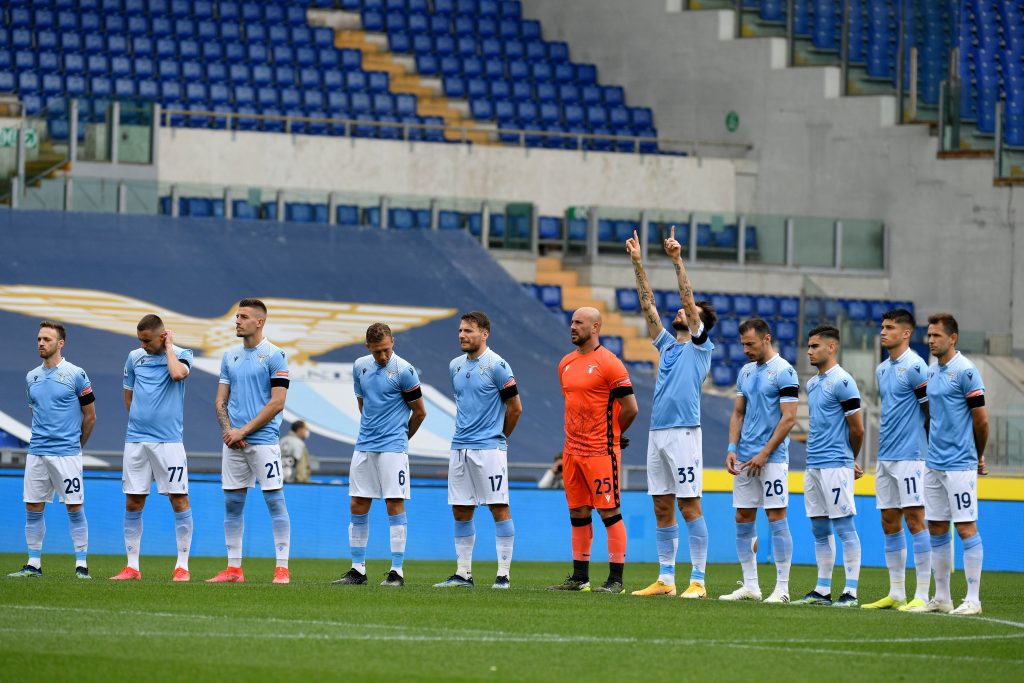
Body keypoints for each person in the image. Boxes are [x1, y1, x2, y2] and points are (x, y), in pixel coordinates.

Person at [624, 228, 717, 600]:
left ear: (698, 322)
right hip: (658, 432)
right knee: (661, 504)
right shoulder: (668, 346)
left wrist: (677, 259)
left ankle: (698, 581)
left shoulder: (700, 346)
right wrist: (637, 264)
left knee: (688, 503)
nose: (680, 310)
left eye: (688, 311)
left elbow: (687, 298)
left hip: (683, 434)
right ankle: (666, 579)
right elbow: (648, 306)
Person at [549, 307, 638, 593]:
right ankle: (579, 578)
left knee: (609, 512)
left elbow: (631, 408)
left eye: (579, 323)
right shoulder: (565, 363)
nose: (572, 327)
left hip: (601, 451)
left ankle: (615, 581)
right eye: (572, 322)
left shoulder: (610, 363)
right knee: (578, 512)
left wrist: (614, 435)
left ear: (596, 327)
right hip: (572, 451)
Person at [333, 323, 426, 588]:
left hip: (393, 448)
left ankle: (397, 571)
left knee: (393, 504)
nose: (382, 357)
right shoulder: (360, 366)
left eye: (386, 350)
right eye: (377, 352)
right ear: (368, 348)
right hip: (365, 445)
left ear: (393, 342)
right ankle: (357, 570)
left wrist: (400, 439)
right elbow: (363, 403)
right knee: (358, 505)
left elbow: (420, 412)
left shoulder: (405, 372)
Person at [434, 311, 523, 589]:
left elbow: (515, 408)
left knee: (498, 507)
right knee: (461, 510)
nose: (462, 335)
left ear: (484, 334)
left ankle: (503, 576)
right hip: (460, 447)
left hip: (489, 450)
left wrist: (499, 438)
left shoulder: (498, 366)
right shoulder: (455, 366)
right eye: (460, 330)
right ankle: (463, 574)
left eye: (469, 331)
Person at [208, 299, 292, 584]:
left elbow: (277, 403)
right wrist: (229, 431)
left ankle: (282, 568)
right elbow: (220, 400)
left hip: (264, 442)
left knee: (274, 501)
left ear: (259, 322)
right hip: (233, 442)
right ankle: (233, 570)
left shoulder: (275, 355)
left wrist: (243, 431)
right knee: (232, 503)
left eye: (243, 317)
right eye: (236, 316)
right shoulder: (229, 356)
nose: (237, 321)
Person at [909, 313, 987, 615]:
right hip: (934, 463)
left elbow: (981, 420)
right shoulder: (932, 371)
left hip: (960, 464)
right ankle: (942, 598)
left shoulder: (966, 371)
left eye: (936, 336)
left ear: (952, 338)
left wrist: (978, 455)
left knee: (966, 527)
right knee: (937, 527)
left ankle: (973, 599)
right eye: (929, 335)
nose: (930, 340)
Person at [110, 315, 195, 582]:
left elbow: (177, 374)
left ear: (162, 336)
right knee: (133, 501)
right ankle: (132, 567)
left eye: (147, 340)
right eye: (140, 340)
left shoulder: (182, 355)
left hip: (169, 442)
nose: (143, 345)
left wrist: (169, 347)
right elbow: (128, 396)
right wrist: (140, 420)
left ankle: (182, 566)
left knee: (178, 499)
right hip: (136, 440)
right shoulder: (134, 358)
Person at [9, 321, 96, 579]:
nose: (40, 343)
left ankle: (81, 565)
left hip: (66, 454)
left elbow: (90, 416)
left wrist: (76, 447)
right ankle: (33, 563)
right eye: (38, 339)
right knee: (33, 507)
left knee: (74, 507)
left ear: (60, 343)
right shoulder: (31, 377)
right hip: (37, 453)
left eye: (46, 339)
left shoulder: (76, 374)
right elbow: (35, 411)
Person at [721, 317, 798, 603]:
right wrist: (732, 447)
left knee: (776, 517)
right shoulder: (745, 372)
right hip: (744, 457)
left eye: (750, 344)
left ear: (767, 339)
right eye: (742, 344)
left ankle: (783, 588)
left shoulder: (785, 372)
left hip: (773, 459)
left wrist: (765, 452)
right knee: (743, 516)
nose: (745, 349)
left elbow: (789, 419)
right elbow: (738, 413)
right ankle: (751, 586)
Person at [862, 309, 931, 611]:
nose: (883, 332)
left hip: (912, 457)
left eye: (890, 327)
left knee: (916, 520)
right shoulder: (881, 369)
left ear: (906, 333)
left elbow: (931, 411)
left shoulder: (916, 366)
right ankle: (897, 593)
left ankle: (924, 594)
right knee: (889, 521)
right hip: (886, 456)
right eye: (882, 327)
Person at [792, 326, 864, 607]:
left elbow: (857, 429)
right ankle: (822, 590)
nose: (809, 351)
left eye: (814, 346)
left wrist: (849, 460)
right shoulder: (812, 383)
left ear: (831, 348)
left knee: (844, 526)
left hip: (836, 464)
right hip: (814, 464)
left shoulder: (843, 381)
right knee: (819, 528)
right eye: (808, 347)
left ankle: (851, 592)